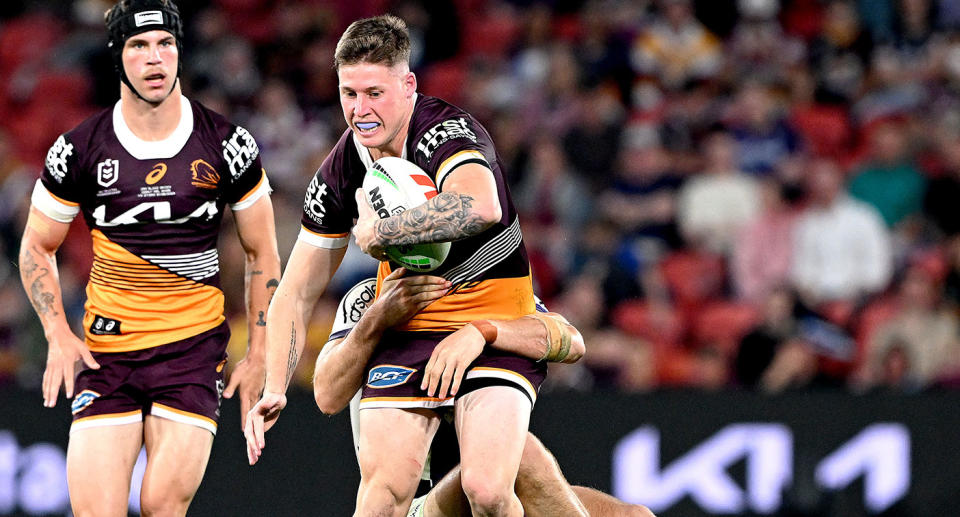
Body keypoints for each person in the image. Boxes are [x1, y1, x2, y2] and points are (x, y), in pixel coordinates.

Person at [246, 14, 549, 516]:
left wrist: (377, 234)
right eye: (348, 94)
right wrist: (275, 386)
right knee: (386, 490)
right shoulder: (344, 165)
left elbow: (481, 205)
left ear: (408, 85)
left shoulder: (446, 131)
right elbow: (295, 292)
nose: (360, 111)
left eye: (374, 93)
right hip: (410, 322)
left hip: (491, 317)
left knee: (489, 490)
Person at [17, 1, 280, 515]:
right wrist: (55, 332)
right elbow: (35, 245)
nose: (155, 58)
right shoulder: (79, 149)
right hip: (106, 352)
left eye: (166, 43)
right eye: (139, 46)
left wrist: (259, 353)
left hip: (192, 351)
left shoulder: (228, 143)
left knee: (162, 504)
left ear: (180, 52)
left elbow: (263, 252)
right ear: (118, 57)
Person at [310, 273, 652, 517]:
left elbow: (571, 341)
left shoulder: (489, 290)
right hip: (413, 501)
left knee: (634, 514)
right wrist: (377, 320)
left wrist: (483, 331)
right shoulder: (373, 295)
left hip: (490, 484)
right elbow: (327, 394)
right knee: (520, 456)